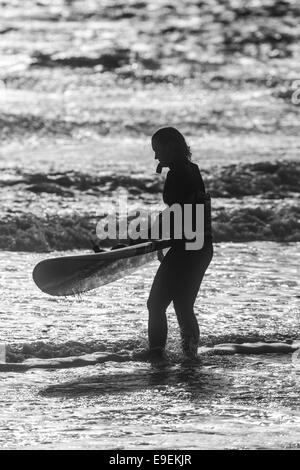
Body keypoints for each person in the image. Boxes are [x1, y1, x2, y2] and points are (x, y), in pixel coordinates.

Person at [135, 127, 213, 362]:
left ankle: (156, 353)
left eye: (158, 150)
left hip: (187, 250)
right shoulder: (192, 170)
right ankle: (190, 356)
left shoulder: (178, 174)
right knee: (183, 305)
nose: (156, 157)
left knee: (155, 303)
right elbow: (187, 213)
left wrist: (147, 235)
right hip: (201, 247)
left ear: (171, 146)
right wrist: (161, 240)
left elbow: (175, 213)